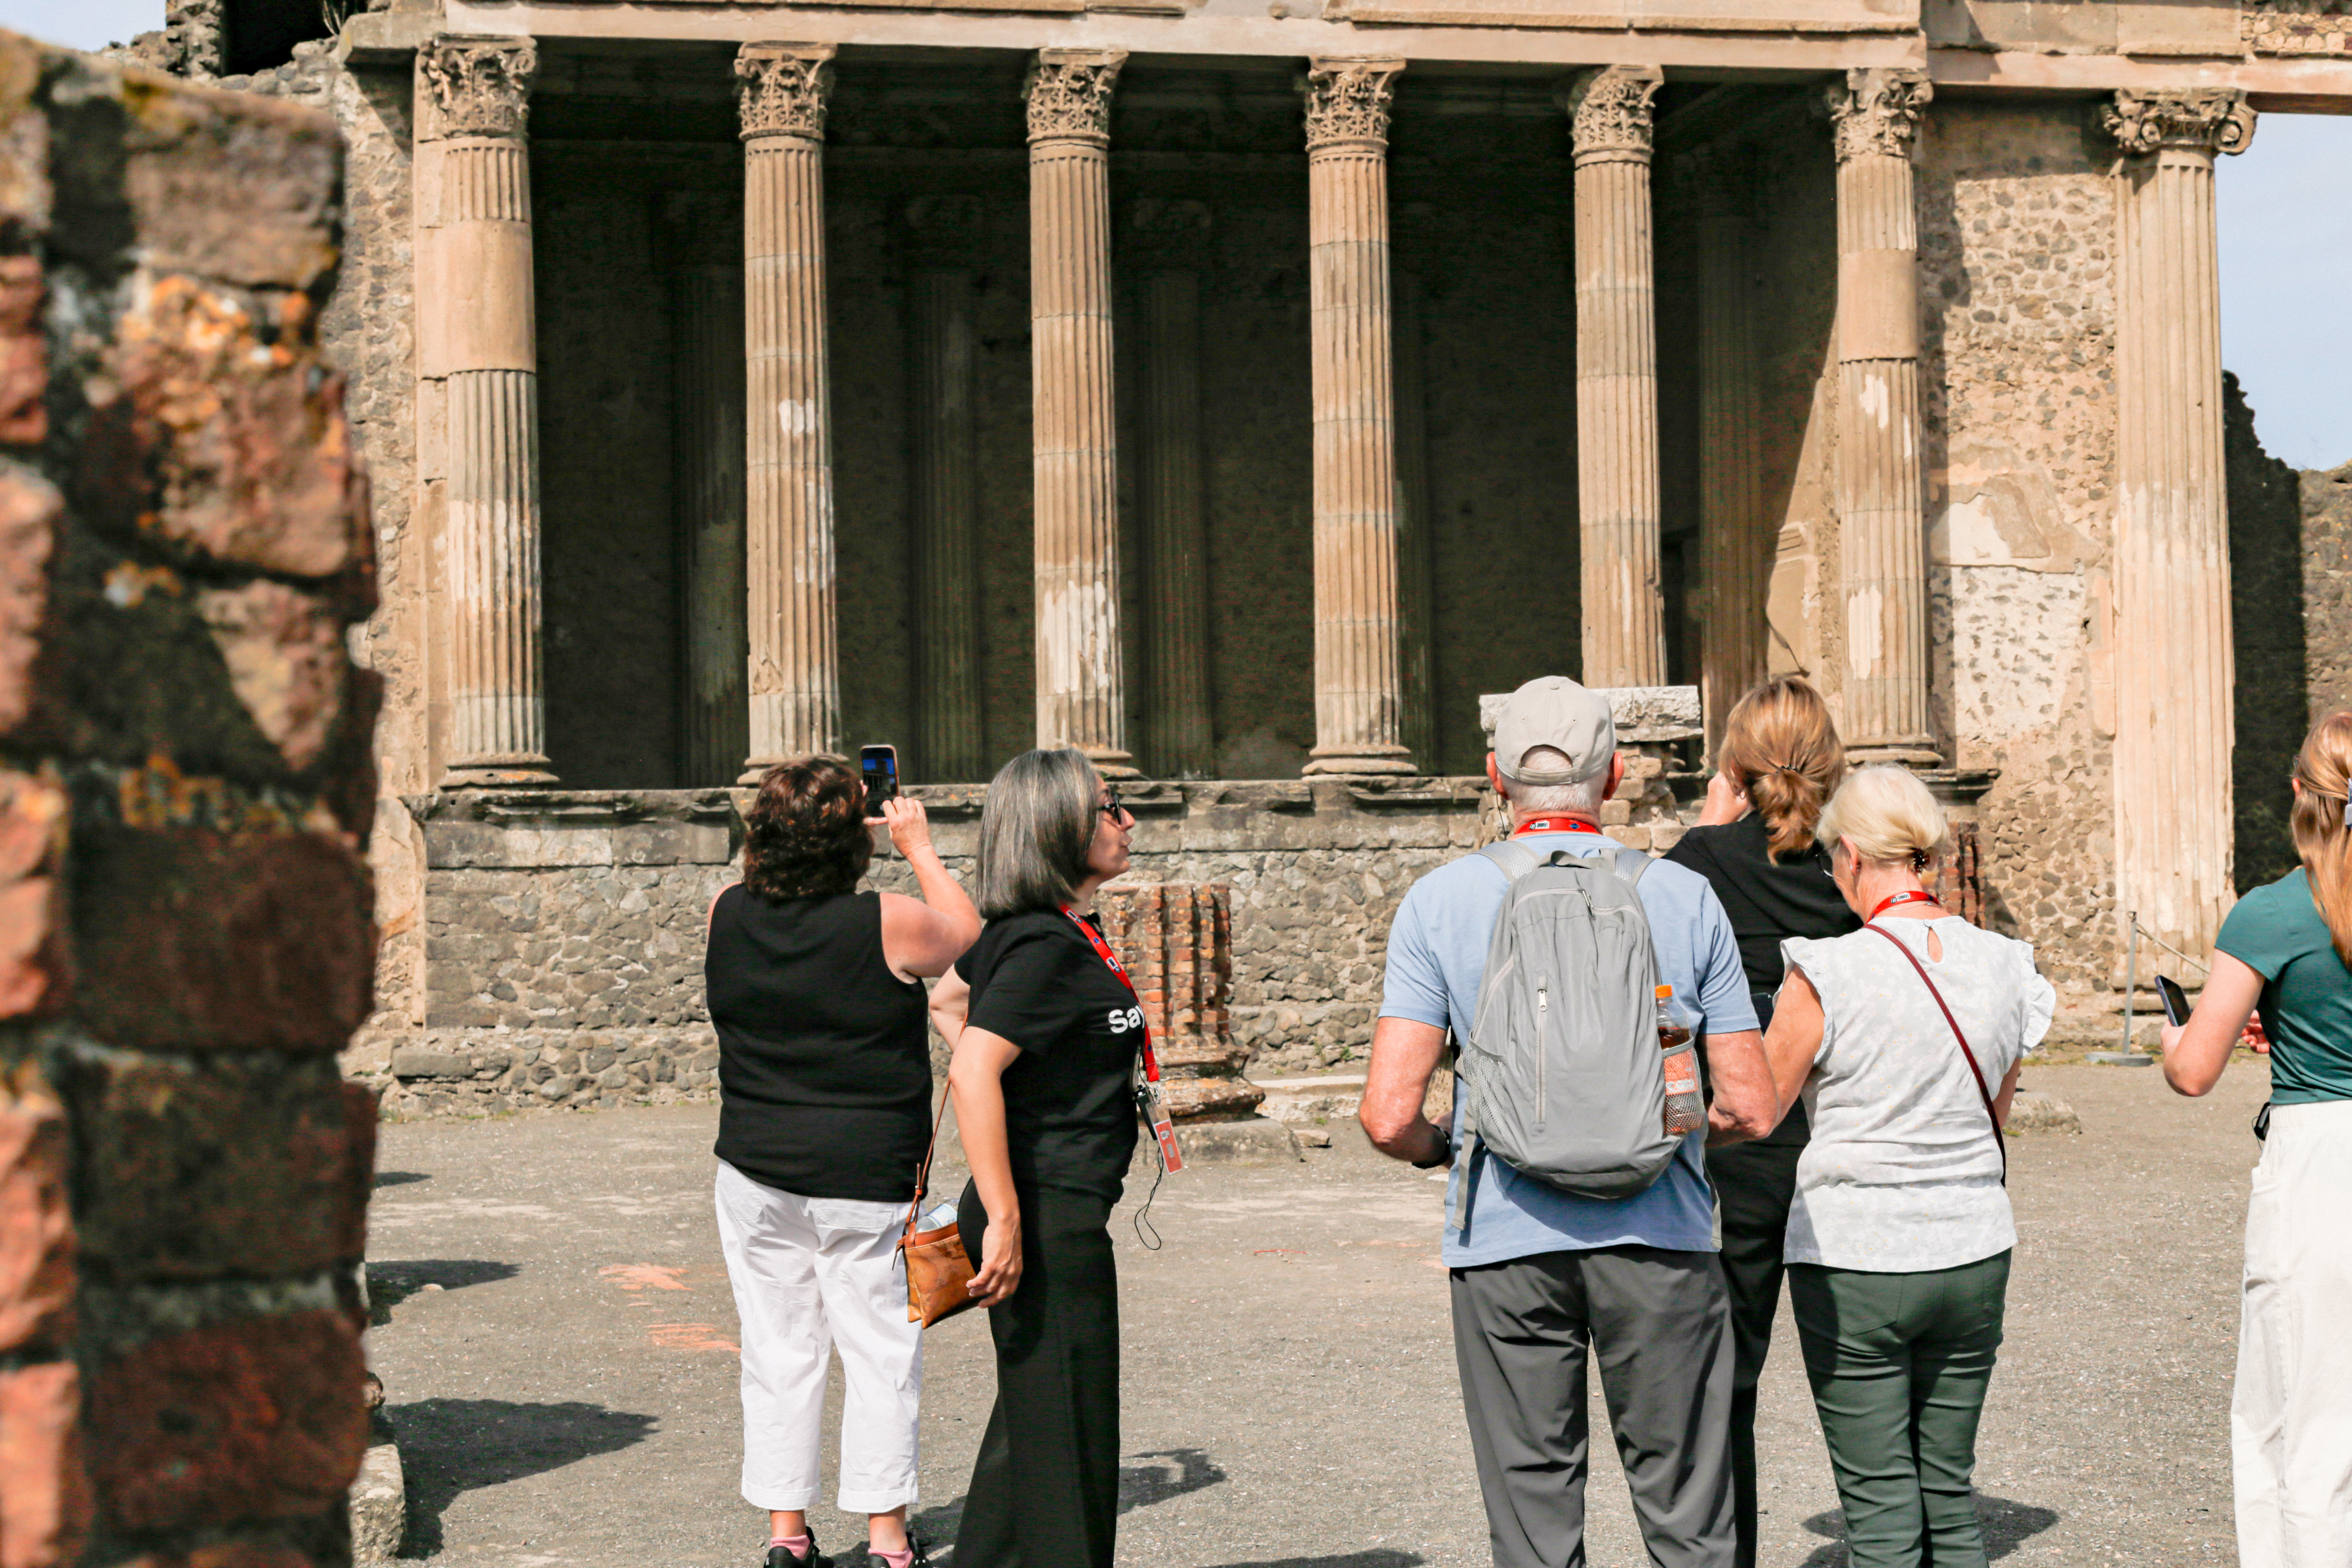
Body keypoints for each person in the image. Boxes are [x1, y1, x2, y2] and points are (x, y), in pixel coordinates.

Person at [1360, 675, 1779, 1568]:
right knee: (1689, 1511)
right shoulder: (1685, 896)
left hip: (1505, 1240)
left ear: (1494, 776)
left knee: (1533, 1511)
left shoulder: (1439, 902)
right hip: (1663, 1236)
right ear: (1616, 776)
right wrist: (1672, 1136)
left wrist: (1450, 1144)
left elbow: (1388, 1116)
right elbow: (1750, 1103)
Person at [1759, 766, 2052, 1568]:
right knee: (1948, 1496)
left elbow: (1756, 1111)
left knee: (1882, 1510)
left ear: (1851, 855)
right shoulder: (2005, 965)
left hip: (1858, 1255)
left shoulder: (1826, 970)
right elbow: (1995, 1115)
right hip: (1974, 1245)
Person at [705, 757, 982, 1568]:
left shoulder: (724, 912)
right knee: (879, 1354)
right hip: (867, 1176)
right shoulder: (889, 921)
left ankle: (786, 1537)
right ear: (852, 840)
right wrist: (919, 845)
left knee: (777, 1349)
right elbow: (969, 935)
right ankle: (886, 1539)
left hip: (756, 1170)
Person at [927, 748, 1144, 1568]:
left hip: (1054, 1204)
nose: (1127, 822)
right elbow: (973, 1064)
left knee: (1035, 1431)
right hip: (1043, 1211)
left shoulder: (1045, 933)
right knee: (1072, 1443)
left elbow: (950, 999)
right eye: (1109, 807)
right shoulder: (1043, 945)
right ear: (1057, 827)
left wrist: (1029, 1089)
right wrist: (1008, 1213)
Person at [1663, 675, 1859, 1568]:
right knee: (1864, 1376)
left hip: (1740, 1139)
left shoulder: (1699, 860)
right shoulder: (1858, 867)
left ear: (1735, 763)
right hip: (1848, 1128)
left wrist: (1711, 822)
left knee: (1729, 1375)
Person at [2161, 710, 2352, 1568]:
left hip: (2320, 1162)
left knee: (2293, 1420)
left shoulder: (2272, 913)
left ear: (2300, 794)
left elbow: (2194, 1070)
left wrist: (2183, 1033)